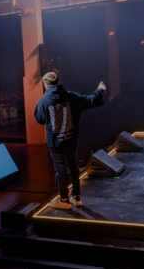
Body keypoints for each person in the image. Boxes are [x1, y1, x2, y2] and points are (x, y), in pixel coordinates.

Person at [33, 72, 106, 210]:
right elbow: (91, 100)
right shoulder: (72, 96)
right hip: (71, 139)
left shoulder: (43, 101)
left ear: (46, 85)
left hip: (55, 142)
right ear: (58, 82)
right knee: (73, 166)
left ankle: (64, 200)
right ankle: (76, 197)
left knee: (60, 168)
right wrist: (100, 90)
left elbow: (40, 119)